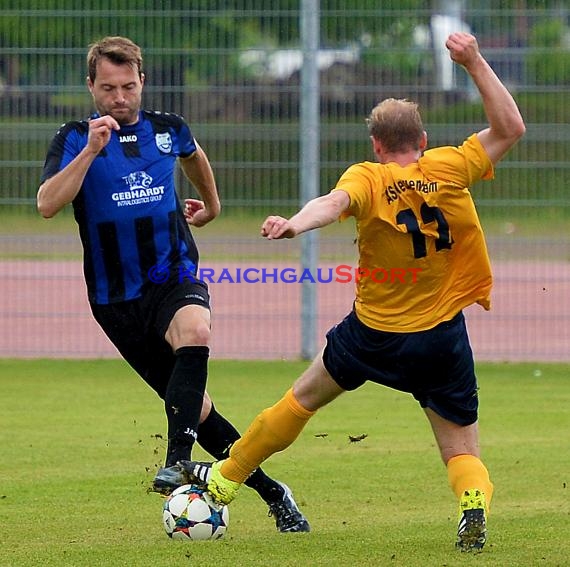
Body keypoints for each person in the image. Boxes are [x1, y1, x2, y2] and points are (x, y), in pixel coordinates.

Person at [179, 32, 525, 551]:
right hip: (440, 336)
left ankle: (226, 480)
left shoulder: (368, 176)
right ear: (424, 140)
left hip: (372, 335)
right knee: (459, 446)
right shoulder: (452, 167)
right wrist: (474, 61)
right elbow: (511, 126)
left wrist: (294, 225)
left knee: (300, 401)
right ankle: (472, 506)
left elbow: (333, 201)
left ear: (377, 146)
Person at [36, 35, 309, 533]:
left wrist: (213, 205)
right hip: (116, 298)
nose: (119, 98)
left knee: (196, 330)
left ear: (142, 82)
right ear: (91, 87)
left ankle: (179, 457)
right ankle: (273, 491)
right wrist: (90, 153)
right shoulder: (75, 137)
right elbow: (48, 203)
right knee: (197, 408)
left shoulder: (168, 129)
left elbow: (194, 154)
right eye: (108, 88)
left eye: (128, 86)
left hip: (172, 273)